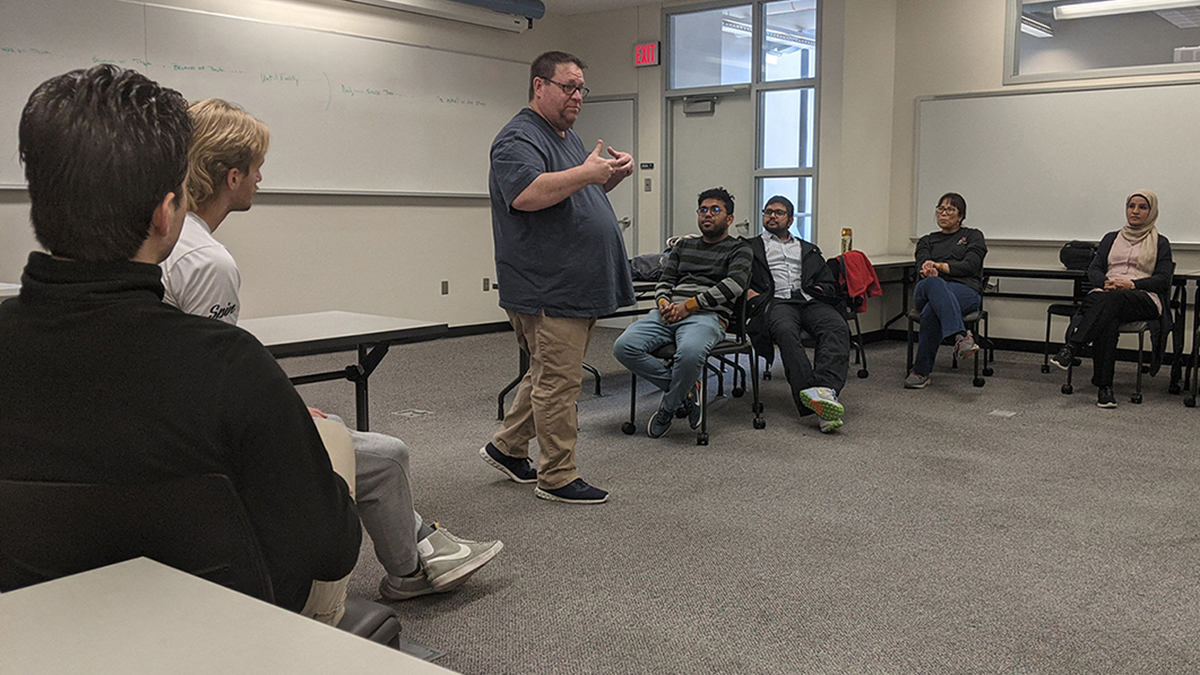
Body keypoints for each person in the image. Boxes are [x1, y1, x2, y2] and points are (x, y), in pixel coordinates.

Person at [0, 65, 360, 622]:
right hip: (222, 624)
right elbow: (330, 550)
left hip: (29, 615)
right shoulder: (231, 365)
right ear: (166, 213)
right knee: (333, 439)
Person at [161, 98, 502, 601]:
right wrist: (282, 416)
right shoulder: (207, 261)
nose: (261, 177)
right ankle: (413, 569)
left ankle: (427, 545)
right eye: (256, 167)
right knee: (387, 455)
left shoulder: (172, 239)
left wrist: (287, 407)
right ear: (232, 176)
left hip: (183, 431)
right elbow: (208, 386)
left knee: (335, 426)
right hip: (208, 451)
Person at [481, 50, 635, 505]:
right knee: (559, 384)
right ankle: (557, 475)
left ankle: (507, 447)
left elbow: (569, 191)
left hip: (577, 282)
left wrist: (607, 177)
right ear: (539, 86)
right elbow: (527, 194)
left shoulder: (564, 135)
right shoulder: (517, 139)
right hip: (548, 285)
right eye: (568, 86)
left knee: (549, 373)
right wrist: (587, 172)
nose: (577, 96)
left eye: (581, 88)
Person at [613, 187, 753, 438]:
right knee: (624, 346)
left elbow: (734, 285)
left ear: (729, 219)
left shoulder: (739, 249)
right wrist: (663, 301)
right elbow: (665, 280)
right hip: (668, 313)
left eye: (715, 210)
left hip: (707, 316)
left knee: (689, 353)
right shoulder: (683, 246)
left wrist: (688, 306)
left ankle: (668, 407)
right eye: (703, 210)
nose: (707, 215)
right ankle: (687, 391)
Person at [1051, 190, 1173, 408]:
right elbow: (1094, 269)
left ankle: (1073, 347)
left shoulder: (1160, 242)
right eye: (1131, 206)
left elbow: (1163, 279)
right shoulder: (1110, 238)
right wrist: (1104, 282)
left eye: (1142, 207)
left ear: (1152, 211)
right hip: (1106, 295)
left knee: (1109, 303)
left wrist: (1133, 284)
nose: (1135, 211)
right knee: (1109, 316)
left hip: (1142, 298)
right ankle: (1105, 389)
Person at [746, 196, 850, 433]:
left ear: (790, 220)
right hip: (775, 302)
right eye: (768, 211)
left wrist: (821, 289)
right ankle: (817, 402)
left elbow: (828, 280)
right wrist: (751, 294)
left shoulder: (808, 248)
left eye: (779, 213)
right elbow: (737, 277)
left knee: (837, 326)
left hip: (808, 300)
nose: (772, 216)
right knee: (785, 331)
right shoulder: (749, 247)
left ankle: (824, 391)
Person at [904, 192, 988, 389]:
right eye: (940, 209)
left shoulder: (973, 236)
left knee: (931, 312)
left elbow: (970, 266)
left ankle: (921, 372)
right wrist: (929, 269)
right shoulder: (926, 240)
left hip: (965, 290)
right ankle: (960, 335)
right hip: (928, 288)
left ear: (960, 216)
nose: (944, 213)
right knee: (935, 284)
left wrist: (939, 266)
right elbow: (922, 265)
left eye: (950, 209)